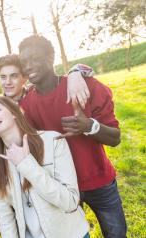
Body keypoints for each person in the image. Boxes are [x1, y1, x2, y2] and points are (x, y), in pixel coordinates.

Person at [18, 35, 127, 238]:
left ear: (50, 57)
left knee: (116, 234)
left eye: (34, 58)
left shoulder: (86, 87)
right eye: (24, 62)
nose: (29, 66)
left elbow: (115, 138)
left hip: (100, 182)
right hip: (64, 190)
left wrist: (89, 126)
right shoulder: (26, 106)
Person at [0, 96, 89, 238]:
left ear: (14, 113)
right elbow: (4, 216)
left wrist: (26, 164)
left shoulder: (52, 140)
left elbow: (70, 201)